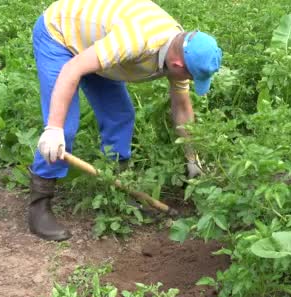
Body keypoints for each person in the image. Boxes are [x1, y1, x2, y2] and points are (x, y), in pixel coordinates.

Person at [29, 0, 222, 241]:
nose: (191, 82)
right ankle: (40, 205)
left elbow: (181, 106)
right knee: (64, 128)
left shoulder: (182, 47)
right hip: (60, 33)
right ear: (177, 65)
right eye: (192, 77)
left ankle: (119, 190)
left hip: (97, 43)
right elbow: (72, 69)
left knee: (120, 116)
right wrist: (53, 128)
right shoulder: (136, 39)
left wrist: (193, 158)